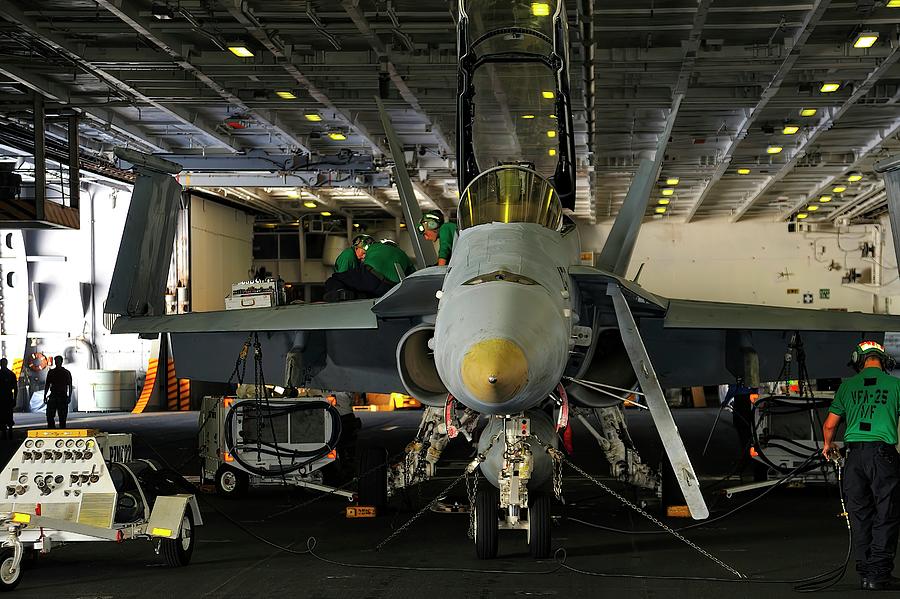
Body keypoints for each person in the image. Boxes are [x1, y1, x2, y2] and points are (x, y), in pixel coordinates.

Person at [822, 341, 900, 591]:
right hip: (882, 456)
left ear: (858, 361)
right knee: (886, 513)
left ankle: (866, 573)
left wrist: (827, 446)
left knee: (860, 513)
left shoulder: (847, 387)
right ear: (883, 360)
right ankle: (879, 574)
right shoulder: (896, 385)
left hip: (854, 457)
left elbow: (829, 425)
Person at [323, 240, 414, 302]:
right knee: (370, 294)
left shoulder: (375, 246)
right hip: (389, 288)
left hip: (371, 276)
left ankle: (341, 293)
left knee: (336, 278)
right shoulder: (404, 255)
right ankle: (359, 296)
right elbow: (413, 276)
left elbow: (364, 261)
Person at [43, 356, 72, 429]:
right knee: (50, 415)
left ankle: (61, 429)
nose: (57, 362)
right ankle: (52, 428)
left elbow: (70, 386)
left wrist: (69, 396)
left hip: (61, 396)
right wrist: (45, 395)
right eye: (56, 361)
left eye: (58, 361)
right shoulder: (54, 372)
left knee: (62, 416)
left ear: (61, 362)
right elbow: (47, 385)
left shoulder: (65, 373)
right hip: (55, 395)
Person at [0, 359, 17, 439]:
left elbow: (15, 388)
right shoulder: (11, 374)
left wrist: (14, 399)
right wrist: (15, 399)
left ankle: (6, 431)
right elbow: (15, 388)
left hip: (4, 398)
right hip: (8, 397)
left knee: (3, 415)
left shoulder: (8, 374)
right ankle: (9, 430)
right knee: (8, 414)